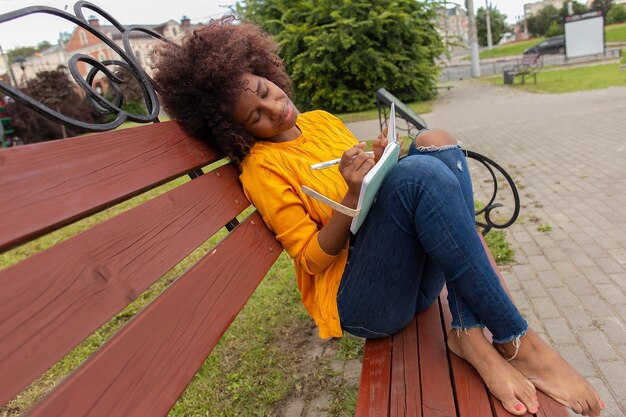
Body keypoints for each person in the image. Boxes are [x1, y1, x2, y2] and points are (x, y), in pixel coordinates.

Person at [152, 17, 604, 417]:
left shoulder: (323, 120)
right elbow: (309, 259)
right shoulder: (263, 168)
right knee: (419, 176)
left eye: (267, 92)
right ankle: (517, 342)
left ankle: (467, 332)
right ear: (237, 130)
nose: (275, 108)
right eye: (257, 115)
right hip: (362, 303)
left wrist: (377, 158)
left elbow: (376, 196)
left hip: (405, 279)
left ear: (268, 72)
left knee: (434, 140)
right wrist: (351, 192)